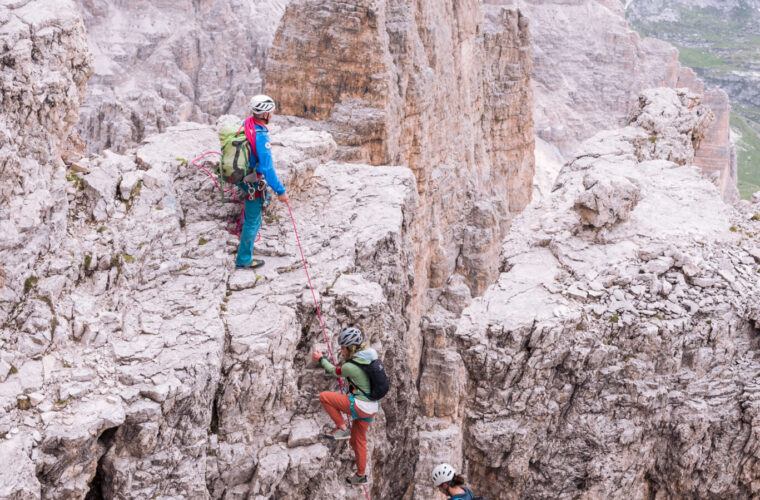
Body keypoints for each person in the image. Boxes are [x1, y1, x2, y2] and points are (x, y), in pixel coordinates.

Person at [311, 327, 380, 485]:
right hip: (372, 407)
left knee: (325, 397)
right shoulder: (369, 355)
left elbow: (334, 371)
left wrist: (321, 359)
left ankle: (342, 428)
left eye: (343, 347)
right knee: (358, 441)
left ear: (351, 348)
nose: (341, 350)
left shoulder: (351, 366)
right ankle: (361, 475)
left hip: (360, 405)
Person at [235, 94, 289, 270]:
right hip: (252, 180)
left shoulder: (247, 124)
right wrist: (280, 191)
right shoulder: (261, 135)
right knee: (253, 220)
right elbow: (266, 168)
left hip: (240, 175)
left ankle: (244, 232)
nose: (272, 115)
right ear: (265, 114)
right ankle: (244, 259)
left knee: (253, 214)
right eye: (271, 112)